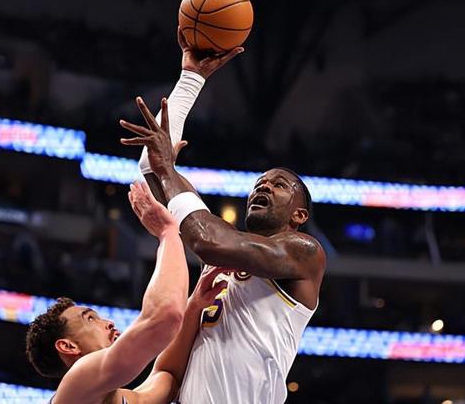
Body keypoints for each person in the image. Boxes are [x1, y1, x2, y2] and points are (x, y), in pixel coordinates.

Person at [119, 51, 327, 402]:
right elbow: (153, 168)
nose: (263, 187)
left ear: (299, 216)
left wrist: (168, 169)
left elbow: (205, 240)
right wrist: (191, 79)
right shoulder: (221, 246)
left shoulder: (304, 253)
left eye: (279, 185)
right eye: (259, 183)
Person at [26, 181, 230, 404]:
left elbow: (167, 376)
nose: (109, 323)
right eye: (90, 319)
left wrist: (193, 307)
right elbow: (165, 315)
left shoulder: (120, 398)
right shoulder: (77, 381)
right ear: (68, 346)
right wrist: (167, 233)